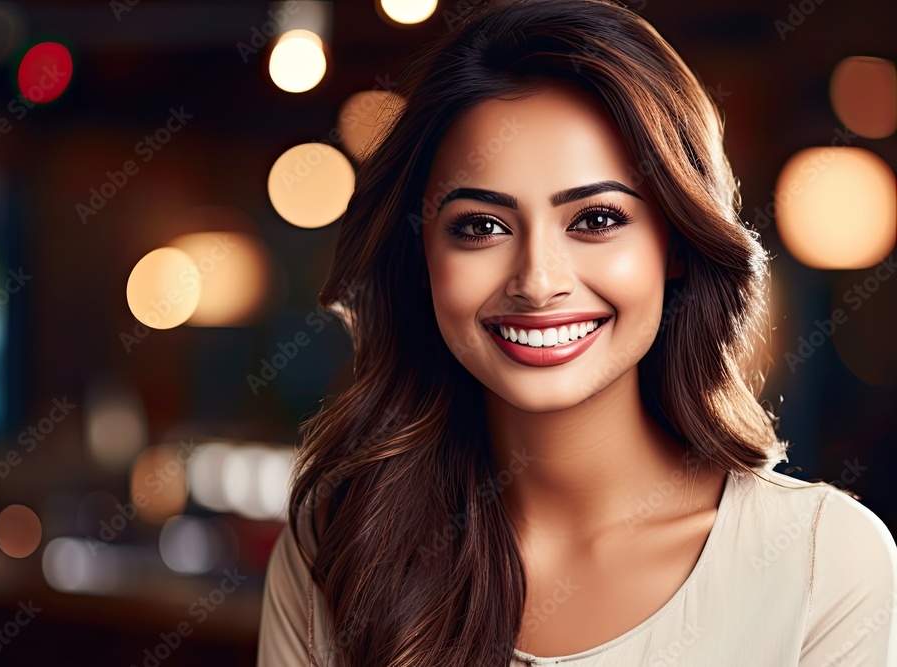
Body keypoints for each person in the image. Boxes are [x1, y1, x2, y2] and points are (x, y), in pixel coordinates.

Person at [257, 1, 897, 665]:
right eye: (481, 226)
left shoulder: (825, 562)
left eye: (594, 219)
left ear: (675, 243)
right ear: (421, 257)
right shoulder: (336, 550)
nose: (537, 281)